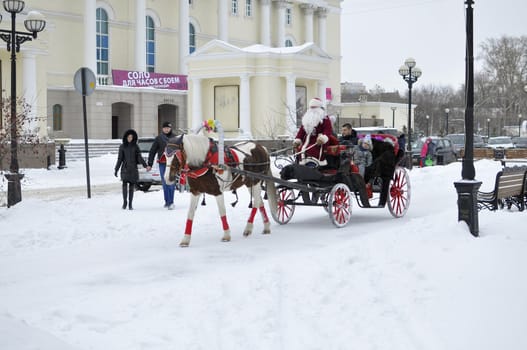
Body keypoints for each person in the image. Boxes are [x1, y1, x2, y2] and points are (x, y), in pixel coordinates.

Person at [293, 97, 338, 167]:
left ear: (319, 109)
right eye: (311, 108)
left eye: (314, 108)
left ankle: (312, 165)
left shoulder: (325, 118)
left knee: (312, 150)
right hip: (307, 142)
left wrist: (323, 138)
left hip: (319, 142)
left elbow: (327, 130)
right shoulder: (306, 119)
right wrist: (297, 140)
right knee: (301, 149)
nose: (312, 111)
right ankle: (301, 166)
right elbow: (301, 132)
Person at [114, 129, 150, 210]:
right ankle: (124, 202)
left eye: (131, 137)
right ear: (126, 137)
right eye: (128, 137)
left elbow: (139, 157)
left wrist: (145, 166)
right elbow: (120, 159)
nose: (130, 138)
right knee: (124, 185)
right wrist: (116, 169)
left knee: (131, 186)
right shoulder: (122, 146)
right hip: (125, 169)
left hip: (133, 169)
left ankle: (130, 203)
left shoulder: (136, 146)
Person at [148, 121, 176, 209]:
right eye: (165, 128)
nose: (166, 129)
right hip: (162, 163)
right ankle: (167, 201)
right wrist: (150, 163)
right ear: (162, 129)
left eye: (168, 128)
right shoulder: (159, 138)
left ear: (170, 128)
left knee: (171, 182)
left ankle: (171, 202)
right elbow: (152, 151)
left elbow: (181, 151)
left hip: (172, 164)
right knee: (165, 183)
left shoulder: (175, 137)